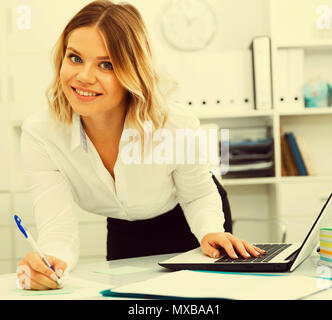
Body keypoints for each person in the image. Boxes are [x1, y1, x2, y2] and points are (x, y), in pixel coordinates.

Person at [17, 0, 265, 291]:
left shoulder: (173, 123)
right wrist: (50, 262)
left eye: (106, 64)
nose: (84, 76)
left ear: (131, 72)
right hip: (124, 223)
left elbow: (197, 196)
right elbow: (57, 225)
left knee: (196, 299)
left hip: (188, 215)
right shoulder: (41, 134)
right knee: (129, 299)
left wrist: (210, 230)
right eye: (74, 58)